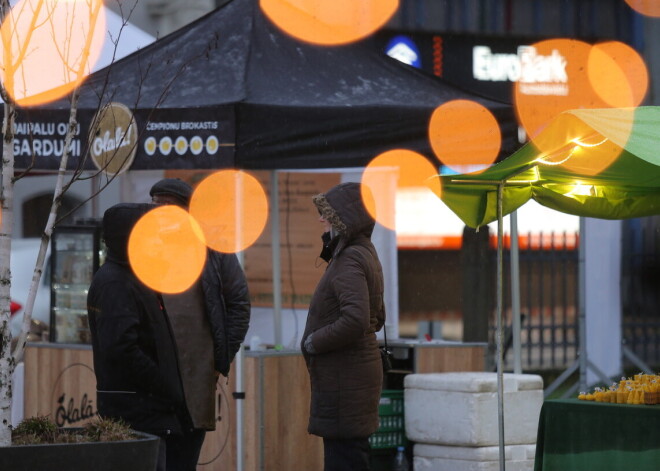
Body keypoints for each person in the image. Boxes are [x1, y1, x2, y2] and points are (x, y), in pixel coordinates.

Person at [301, 181, 386, 471]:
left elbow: (356, 319)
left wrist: (314, 341)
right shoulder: (363, 252)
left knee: (344, 459)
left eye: (327, 213)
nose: (321, 219)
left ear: (344, 218)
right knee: (351, 456)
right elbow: (378, 316)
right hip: (350, 379)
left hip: (345, 382)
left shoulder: (349, 257)